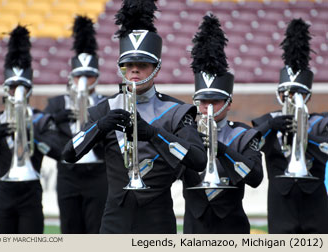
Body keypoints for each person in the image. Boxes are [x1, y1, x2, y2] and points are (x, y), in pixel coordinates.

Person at [62, 0, 207, 234]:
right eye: (128, 65)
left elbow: (198, 160)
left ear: (156, 68)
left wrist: (153, 133)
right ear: (121, 68)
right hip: (114, 219)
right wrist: (100, 126)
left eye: (142, 64)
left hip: (157, 218)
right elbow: (69, 153)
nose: (135, 70)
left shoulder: (177, 110)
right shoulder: (105, 108)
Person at [181, 13, 263, 234]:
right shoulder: (183, 132)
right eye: (203, 101)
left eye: (215, 102)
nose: (208, 108)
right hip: (193, 230)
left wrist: (221, 149)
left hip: (233, 229)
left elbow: (255, 178)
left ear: (228, 103)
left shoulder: (244, 135)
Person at [0, 25, 62, 234]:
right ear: (6, 90)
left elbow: (59, 152)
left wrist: (30, 136)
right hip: (5, 193)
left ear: (29, 90)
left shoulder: (42, 119)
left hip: (31, 194)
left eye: (21, 88)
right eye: (12, 88)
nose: (17, 93)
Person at [252, 18, 328, 234]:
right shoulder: (265, 121)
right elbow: (249, 144)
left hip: (315, 205)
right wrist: (271, 126)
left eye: (299, 93)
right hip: (280, 206)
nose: (293, 98)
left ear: (308, 95)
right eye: (288, 93)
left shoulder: (322, 123)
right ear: (280, 94)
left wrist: (305, 136)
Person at [43, 15, 108, 234]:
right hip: (68, 171)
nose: (83, 80)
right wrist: (61, 146)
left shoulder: (105, 103)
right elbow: (42, 131)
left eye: (89, 76)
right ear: (71, 76)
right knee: (70, 228)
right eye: (79, 75)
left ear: (96, 77)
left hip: (97, 171)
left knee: (96, 227)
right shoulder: (57, 103)